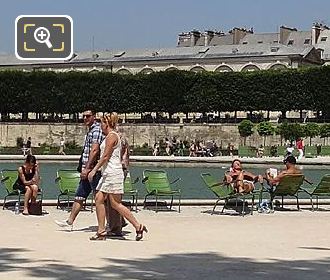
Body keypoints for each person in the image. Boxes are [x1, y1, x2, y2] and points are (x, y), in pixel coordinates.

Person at [87, 113, 147, 241]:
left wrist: (94, 170)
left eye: (102, 123)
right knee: (99, 199)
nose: (100, 126)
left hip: (112, 173)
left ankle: (137, 225)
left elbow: (105, 157)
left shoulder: (111, 136)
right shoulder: (111, 136)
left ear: (106, 124)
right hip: (109, 172)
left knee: (115, 204)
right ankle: (101, 231)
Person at [55, 109, 104, 229]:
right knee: (80, 195)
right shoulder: (92, 130)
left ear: (94, 116)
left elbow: (94, 150)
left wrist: (87, 168)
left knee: (100, 198)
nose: (85, 118)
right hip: (88, 169)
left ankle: (113, 222)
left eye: (88, 116)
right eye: (84, 116)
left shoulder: (96, 130)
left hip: (93, 170)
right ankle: (70, 222)